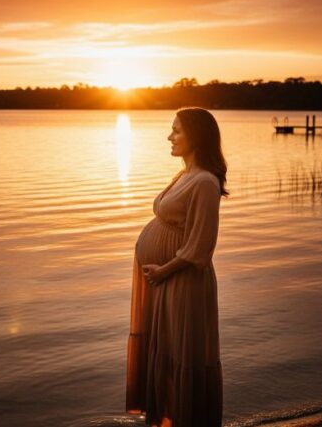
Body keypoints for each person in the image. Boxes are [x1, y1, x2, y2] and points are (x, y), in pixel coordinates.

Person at [126, 107, 228, 427]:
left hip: (183, 282)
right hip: (165, 281)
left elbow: (201, 246)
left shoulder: (205, 182)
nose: (169, 136)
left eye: (176, 130)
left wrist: (163, 271)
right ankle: (169, 419)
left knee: (183, 355)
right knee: (166, 350)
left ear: (195, 136)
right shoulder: (184, 175)